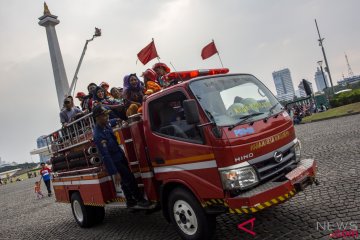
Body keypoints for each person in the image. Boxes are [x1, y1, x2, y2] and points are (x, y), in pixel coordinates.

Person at [92, 105, 151, 208]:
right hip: (115, 161)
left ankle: (130, 201)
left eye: (107, 115)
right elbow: (105, 155)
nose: (107, 117)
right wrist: (115, 172)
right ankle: (140, 200)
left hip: (120, 156)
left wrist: (121, 119)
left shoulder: (106, 125)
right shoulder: (98, 134)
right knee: (129, 179)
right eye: (104, 115)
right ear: (97, 118)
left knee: (125, 181)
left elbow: (113, 122)